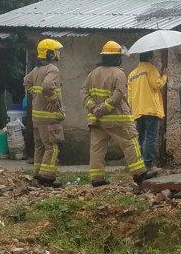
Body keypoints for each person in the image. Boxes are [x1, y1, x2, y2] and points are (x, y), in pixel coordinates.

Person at [80, 41, 157, 187]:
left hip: (96, 120)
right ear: (117, 58)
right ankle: (139, 173)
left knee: (97, 149)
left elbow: (83, 92)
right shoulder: (119, 73)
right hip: (118, 119)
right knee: (130, 143)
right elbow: (118, 96)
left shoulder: (93, 73)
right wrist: (103, 108)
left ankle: (97, 179)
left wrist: (93, 107)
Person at [23, 39, 65, 187]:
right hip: (49, 117)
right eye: (57, 50)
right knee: (52, 147)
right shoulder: (53, 69)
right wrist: (54, 102)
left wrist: (37, 95)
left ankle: (38, 174)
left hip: (37, 116)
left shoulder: (36, 69)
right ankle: (47, 177)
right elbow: (47, 87)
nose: (59, 53)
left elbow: (26, 82)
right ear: (50, 53)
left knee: (39, 146)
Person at [128, 51, 167, 171]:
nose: (153, 60)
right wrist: (164, 75)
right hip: (150, 108)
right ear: (149, 58)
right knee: (151, 136)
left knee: (140, 137)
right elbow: (157, 84)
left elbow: (129, 95)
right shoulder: (150, 69)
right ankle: (148, 164)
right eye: (153, 57)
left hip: (138, 110)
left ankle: (138, 164)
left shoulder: (132, 74)